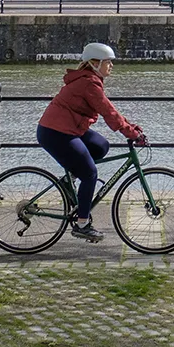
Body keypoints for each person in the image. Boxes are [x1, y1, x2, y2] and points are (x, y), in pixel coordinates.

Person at [37, 42, 146, 242]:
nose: (111, 66)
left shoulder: (91, 80)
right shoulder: (89, 83)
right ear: (95, 64)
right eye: (108, 62)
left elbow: (110, 110)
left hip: (69, 128)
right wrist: (132, 134)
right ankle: (82, 224)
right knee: (90, 174)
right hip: (56, 133)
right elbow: (108, 112)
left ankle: (71, 181)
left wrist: (131, 127)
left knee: (101, 146)